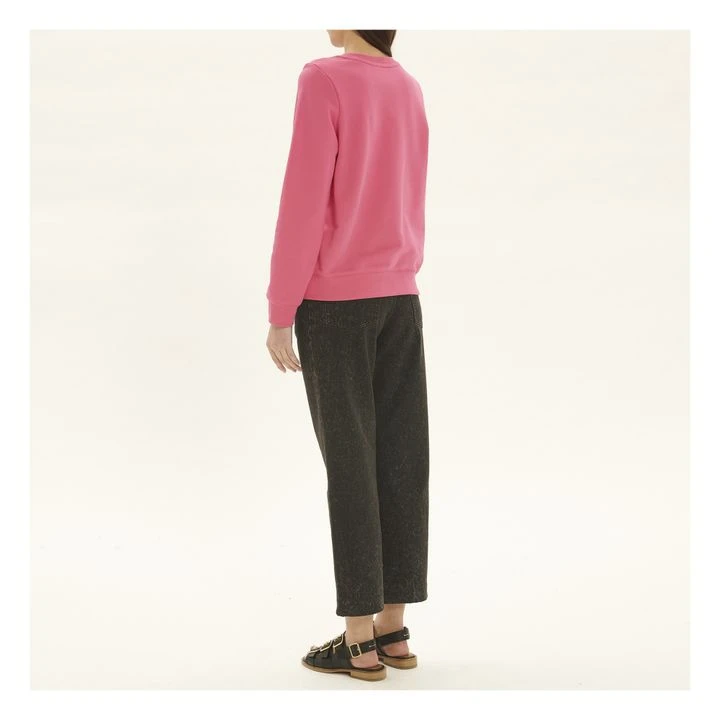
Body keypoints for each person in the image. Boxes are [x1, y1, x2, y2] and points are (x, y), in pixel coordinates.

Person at [265, 29, 429, 682]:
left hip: (335, 302)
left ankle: (357, 638)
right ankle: (393, 629)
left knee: (353, 464)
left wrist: (281, 309)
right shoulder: (408, 86)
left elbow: (304, 197)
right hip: (400, 296)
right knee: (402, 458)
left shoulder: (324, 78)